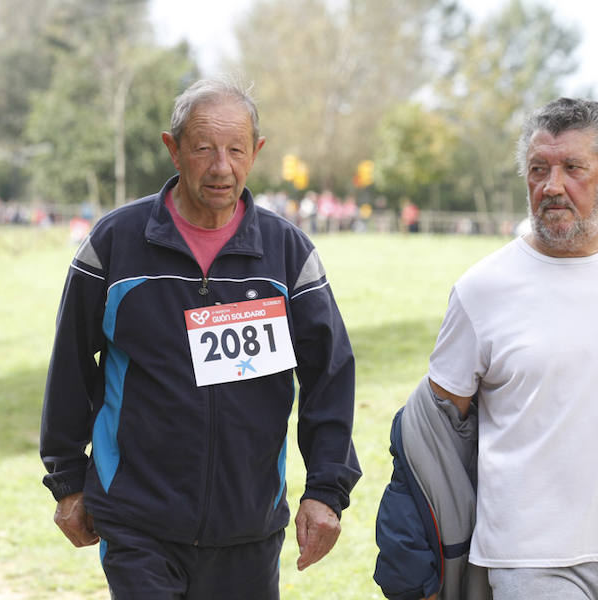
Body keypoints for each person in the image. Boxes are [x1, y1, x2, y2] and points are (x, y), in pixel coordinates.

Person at [40, 77, 361, 599]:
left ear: (256, 153)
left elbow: (329, 374)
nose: (221, 167)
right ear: (173, 150)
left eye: (236, 150)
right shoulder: (115, 243)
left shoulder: (287, 253)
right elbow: (70, 364)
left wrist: (327, 489)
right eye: (203, 149)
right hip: (138, 520)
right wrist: (67, 480)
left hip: (249, 525)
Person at [375, 97, 598, 600]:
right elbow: (434, 431)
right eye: (538, 169)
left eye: (573, 168)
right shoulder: (481, 290)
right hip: (529, 560)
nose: (551, 186)